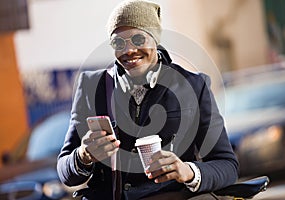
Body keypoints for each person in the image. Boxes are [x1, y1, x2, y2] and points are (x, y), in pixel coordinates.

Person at [57, 0, 239, 199]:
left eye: (138, 39)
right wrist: (84, 155)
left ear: (155, 40)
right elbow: (65, 172)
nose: (128, 50)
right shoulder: (91, 86)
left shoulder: (193, 86)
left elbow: (227, 165)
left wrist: (188, 171)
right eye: (118, 43)